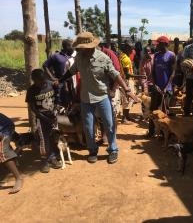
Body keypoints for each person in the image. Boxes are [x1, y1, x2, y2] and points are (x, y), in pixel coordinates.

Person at [59, 32, 137, 164]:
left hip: (102, 97)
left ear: (90, 46)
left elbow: (116, 75)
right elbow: (71, 71)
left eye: (82, 47)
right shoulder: (79, 58)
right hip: (86, 99)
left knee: (109, 124)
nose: (80, 49)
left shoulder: (103, 58)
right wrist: (59, 80)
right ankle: (92, 151)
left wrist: (127, 89)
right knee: (88, 126)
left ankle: (113, 150)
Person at [26, 69, 62, 172]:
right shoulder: (31, 91)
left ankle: (53, 158)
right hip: (41, 119)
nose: (42, 83)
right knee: (44, 140)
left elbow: (57, 97)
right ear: (34, 80)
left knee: (54, 138)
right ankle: (44, 161)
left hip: (53, 116)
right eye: (39, 81)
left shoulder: (51, 85)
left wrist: (56, 107)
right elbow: (33, 108)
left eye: (43, 80)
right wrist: (45, 118)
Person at [148, 36, 176, 137]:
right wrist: (155, 85)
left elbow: (173, 73)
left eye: (159, 44)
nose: (157, 46)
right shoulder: (156, 56)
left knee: (164, 111)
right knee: (153, 110)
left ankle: (165, 134)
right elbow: (153, 72)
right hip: (156, 88)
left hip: (166, 89)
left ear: (164, 44)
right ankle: (151, 132)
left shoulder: (171, 55)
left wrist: (166, 86)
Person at [43, 39, 74, 108]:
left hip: (71, 83)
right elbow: (45, 65)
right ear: (66, 46)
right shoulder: (56, 56)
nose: (73, 48)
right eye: (72, 46)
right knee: (59, 101)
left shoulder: (71, 57)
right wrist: (52, 78)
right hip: (60, 82)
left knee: (71, 101)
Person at [0, 113, 23, 194]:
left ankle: (18, 178)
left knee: (2, 150)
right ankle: (13, 157)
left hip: (4, 128)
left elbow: (1, 136)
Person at [119, 41, 136, 124]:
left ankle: (127, 116)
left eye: (132, 48)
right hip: (126, 80)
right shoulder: (126, 59)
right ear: (126, 48)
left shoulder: (122, 55)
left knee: (127, 99)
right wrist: (139, 76)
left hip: (122, 79)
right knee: (127, 99)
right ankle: (124, 118)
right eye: (130, 48)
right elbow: (127, 74)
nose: (132, 50)